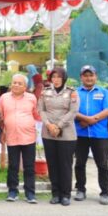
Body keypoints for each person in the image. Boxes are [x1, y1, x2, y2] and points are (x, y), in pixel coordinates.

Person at [74, 65, 108, 204]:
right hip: (80, 133)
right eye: (85, 75)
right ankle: (80, 190)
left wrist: (92, 120)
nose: (89, 78)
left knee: (102, 164)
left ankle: (104, 192)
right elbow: (72, 110)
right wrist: (85, 119)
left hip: (100, 134)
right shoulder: (75, 92)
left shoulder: (104, 92)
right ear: (81, 77)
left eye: (91, 75)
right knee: (80, 163)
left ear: (96, 76)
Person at [38, 67, 78, 206]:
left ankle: (66, 195)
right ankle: (55, 194)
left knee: (65, 165)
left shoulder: (72, 92)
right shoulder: (45, 92)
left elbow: (73, 112)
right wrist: (49, 125)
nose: (56, 80)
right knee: (53, 164)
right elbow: (41, 110)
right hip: (48, 133)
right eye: (53, 77)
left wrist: (59, 126)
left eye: (59, 77)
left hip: (66, 133)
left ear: (64, 78)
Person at [0, 74, 39, 203]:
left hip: (29, 136)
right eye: (14, 82)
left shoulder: (31, 98)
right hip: (11, 136)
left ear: (25, 87)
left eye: (19, 83)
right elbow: (0, 116)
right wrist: (2, 132)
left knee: (29, 166)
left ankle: (30, 193)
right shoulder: (4, 98)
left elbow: (36, 115)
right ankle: (12, 191)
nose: (16, 85)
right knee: (13, 165)